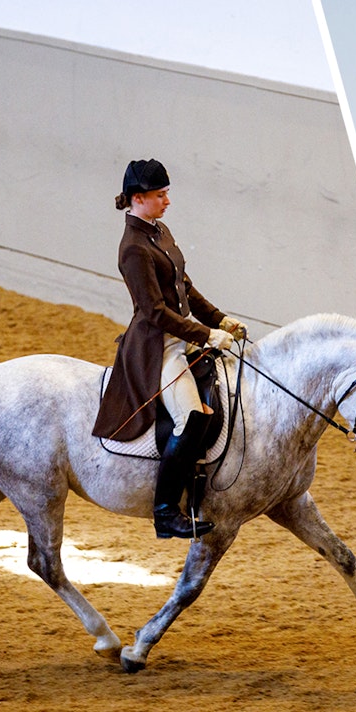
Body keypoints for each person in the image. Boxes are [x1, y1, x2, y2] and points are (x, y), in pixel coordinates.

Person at [92, 158, 247, 539]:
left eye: (167, 194)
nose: (167, 201)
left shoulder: (159, 231)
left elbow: (185, 288)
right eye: (161, 195)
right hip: (157, 346)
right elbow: (153, 311)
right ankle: (165, 512)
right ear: (139, 198)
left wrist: (220, 320)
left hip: (181, 336)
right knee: (191, 416)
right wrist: (205, 336)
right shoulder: (132, 248)